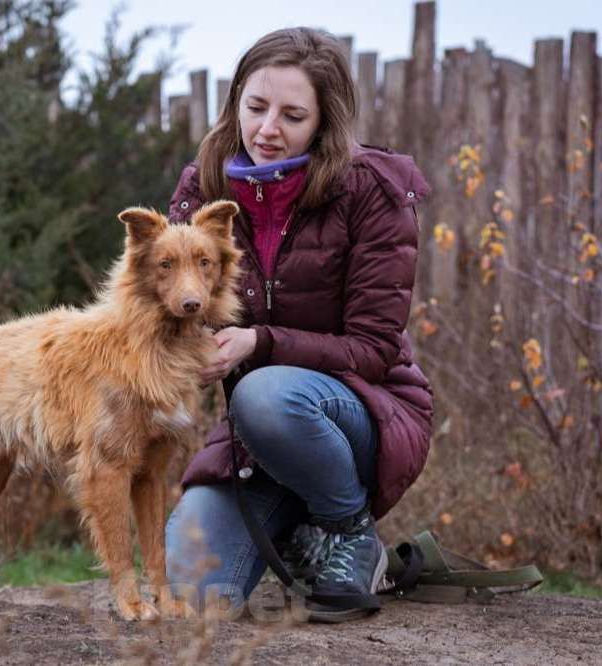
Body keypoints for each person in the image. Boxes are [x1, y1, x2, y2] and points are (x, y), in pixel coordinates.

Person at [164, 27, 434, 623]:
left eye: (292, 115)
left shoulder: (371, 191)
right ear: (236, 101)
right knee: (196, 593)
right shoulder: (203, 187)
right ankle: (302, 534)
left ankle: (348, 530)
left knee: (265, 391)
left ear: (323, 122)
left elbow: (373, 348)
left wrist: (259, 342)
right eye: (256, 107)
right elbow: (167, 305)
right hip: (255, 437)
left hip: (362, 413)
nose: (267, 129)